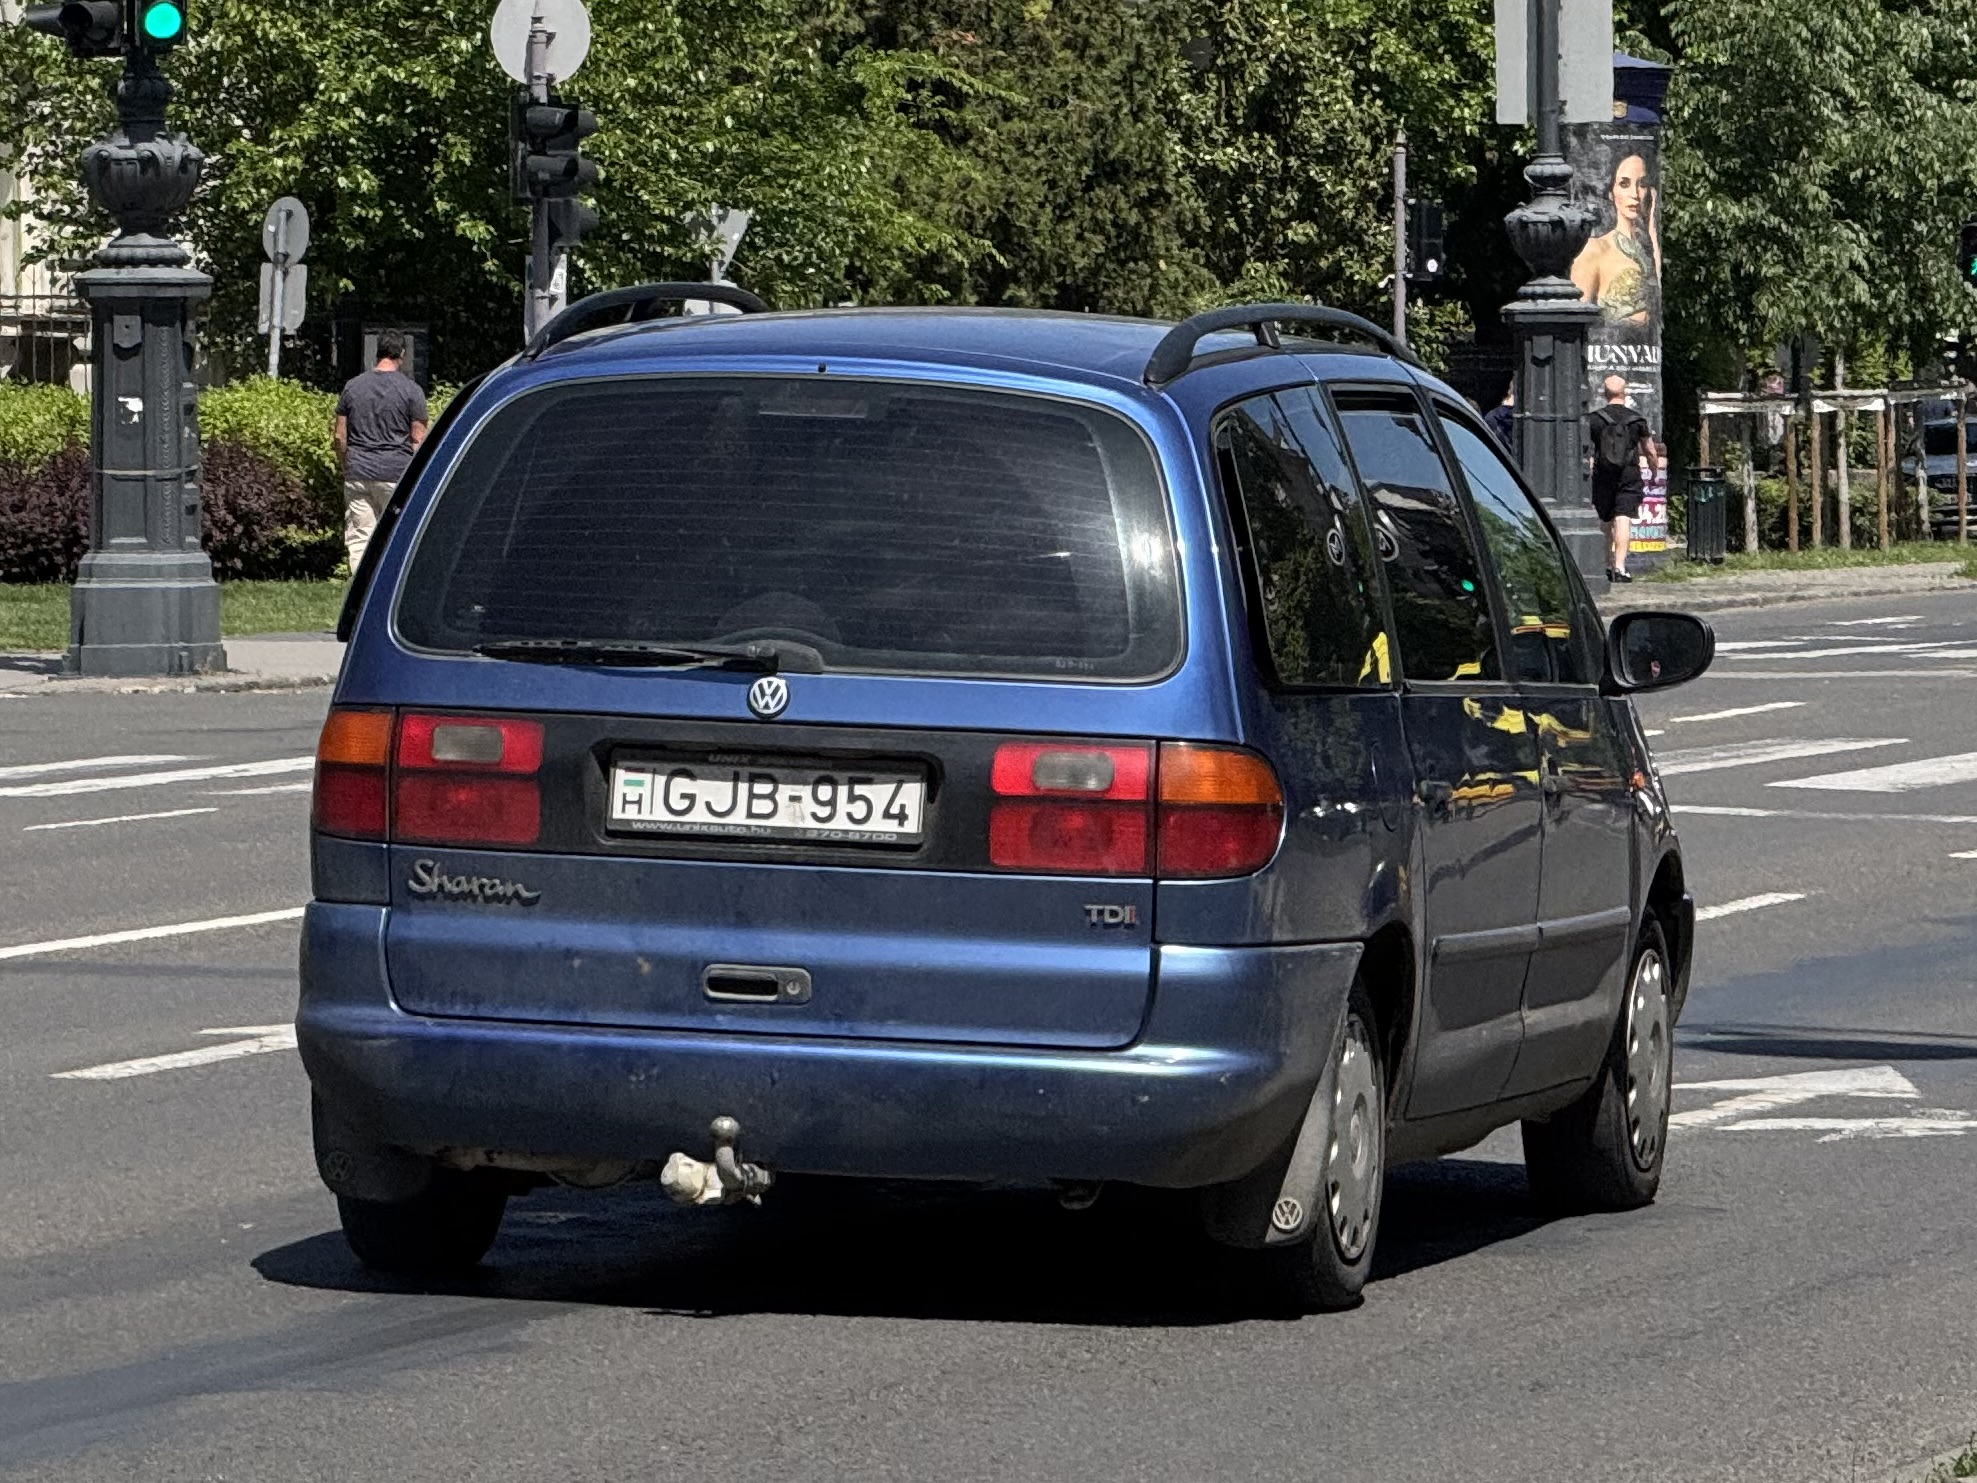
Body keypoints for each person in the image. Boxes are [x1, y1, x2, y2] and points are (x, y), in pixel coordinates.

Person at [333, 330, 428, 573]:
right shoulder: (412, 390)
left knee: (360, 537)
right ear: (402, 354)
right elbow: (418, 439)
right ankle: (390, 581)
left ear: (377, 352)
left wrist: (346, 464)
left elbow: (340, 436)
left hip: (358, 472)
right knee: (395, 534)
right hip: (396, 473)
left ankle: (360, 585)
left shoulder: (353, 387)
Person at [1570, 152, 1661, 328]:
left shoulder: (1648, 251)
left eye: (1641, 184)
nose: (1635, 194)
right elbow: (1576, 323)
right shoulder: (1595, 249)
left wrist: (1653, 230)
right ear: (1611, 192)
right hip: (1609, 342)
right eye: (1624, 184)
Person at [1589, 373, 1658, 583]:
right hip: (1629, 474)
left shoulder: (1594, 419)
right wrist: (1654, 471)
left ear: (1605, 393)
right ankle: (1620, 568)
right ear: (1624, 392)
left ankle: (1606, 565)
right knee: (1623, 518)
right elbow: (1650, 450)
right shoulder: (1637, 420)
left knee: (1605, 520)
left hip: (1603, 474)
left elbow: (1588, 451)